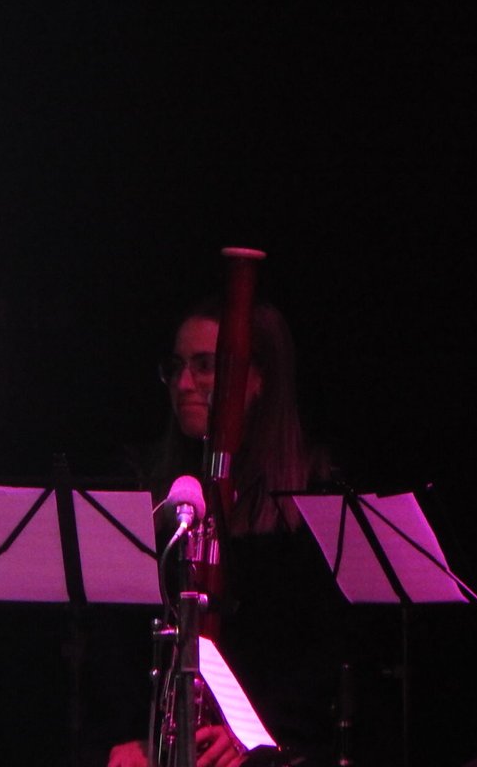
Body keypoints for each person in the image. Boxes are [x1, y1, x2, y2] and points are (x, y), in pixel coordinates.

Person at [97, 295, 344, 767]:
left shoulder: (312, 496)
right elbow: (119, 649)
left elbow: (317, 664)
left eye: (205, 366)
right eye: (176, 367)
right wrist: (134, 737)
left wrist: (250, 737)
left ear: (258, 380)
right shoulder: (147, 487)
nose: (183, 384)